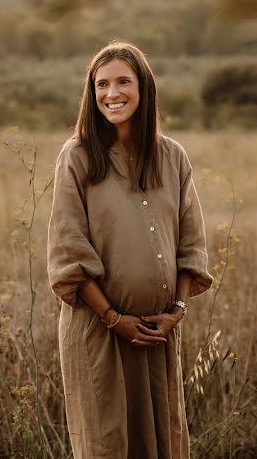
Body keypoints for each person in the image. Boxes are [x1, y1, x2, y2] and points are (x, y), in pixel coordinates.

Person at [46, 40, 213, 458]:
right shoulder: (78, 156)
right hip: (98, 334)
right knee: (108, 447)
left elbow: (191, 246)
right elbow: (69, 252)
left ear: (144, 88)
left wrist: (176, 311)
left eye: (123, 81)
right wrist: (113, 317)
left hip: (157, 336)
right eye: (101, 84)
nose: (112, 93)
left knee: (163, 446)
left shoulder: (172, 157)